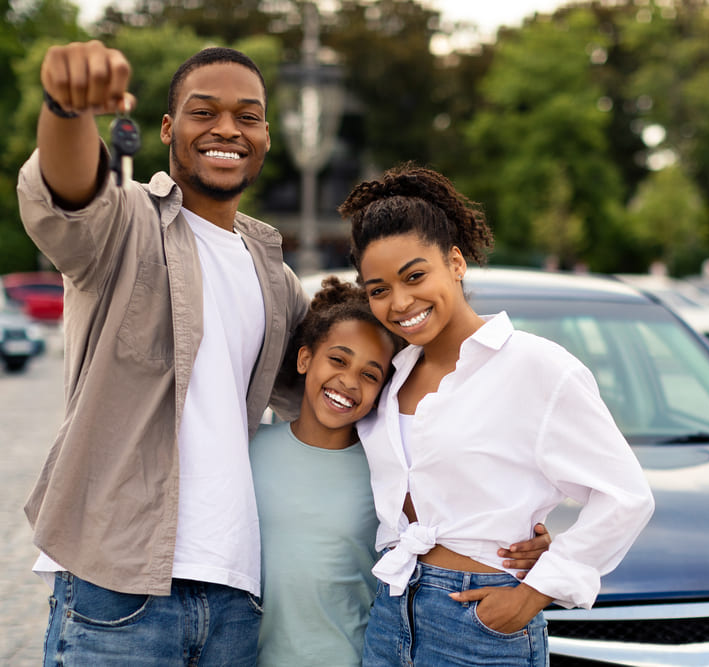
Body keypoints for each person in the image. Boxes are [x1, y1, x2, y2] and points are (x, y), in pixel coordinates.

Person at [17, 41, 308, 664]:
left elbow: (341, 401)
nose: (227, 128)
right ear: (168, 129)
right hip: (116, 587)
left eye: (248, 116)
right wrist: (66, 107)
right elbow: (69, 193)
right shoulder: (125, 223)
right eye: (204, 112)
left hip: (238, 593)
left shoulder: (274, 275)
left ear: (264, 136)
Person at [338, 164, 656, 665]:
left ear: (457, 263)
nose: (400, 302)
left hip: (479, 620)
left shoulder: (535, 367)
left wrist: (537, 592)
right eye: (378, 289)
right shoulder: (389, 375)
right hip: (392, 610)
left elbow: (626, 497)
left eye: (415, 276)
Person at [251, 276, 553, 667]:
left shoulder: (390, 470)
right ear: (305, 358)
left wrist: (531, 546)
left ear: (385, 389)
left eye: (370, 375)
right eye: (338, 360)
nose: (348, 381)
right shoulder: (250, 451)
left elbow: (456, 527)